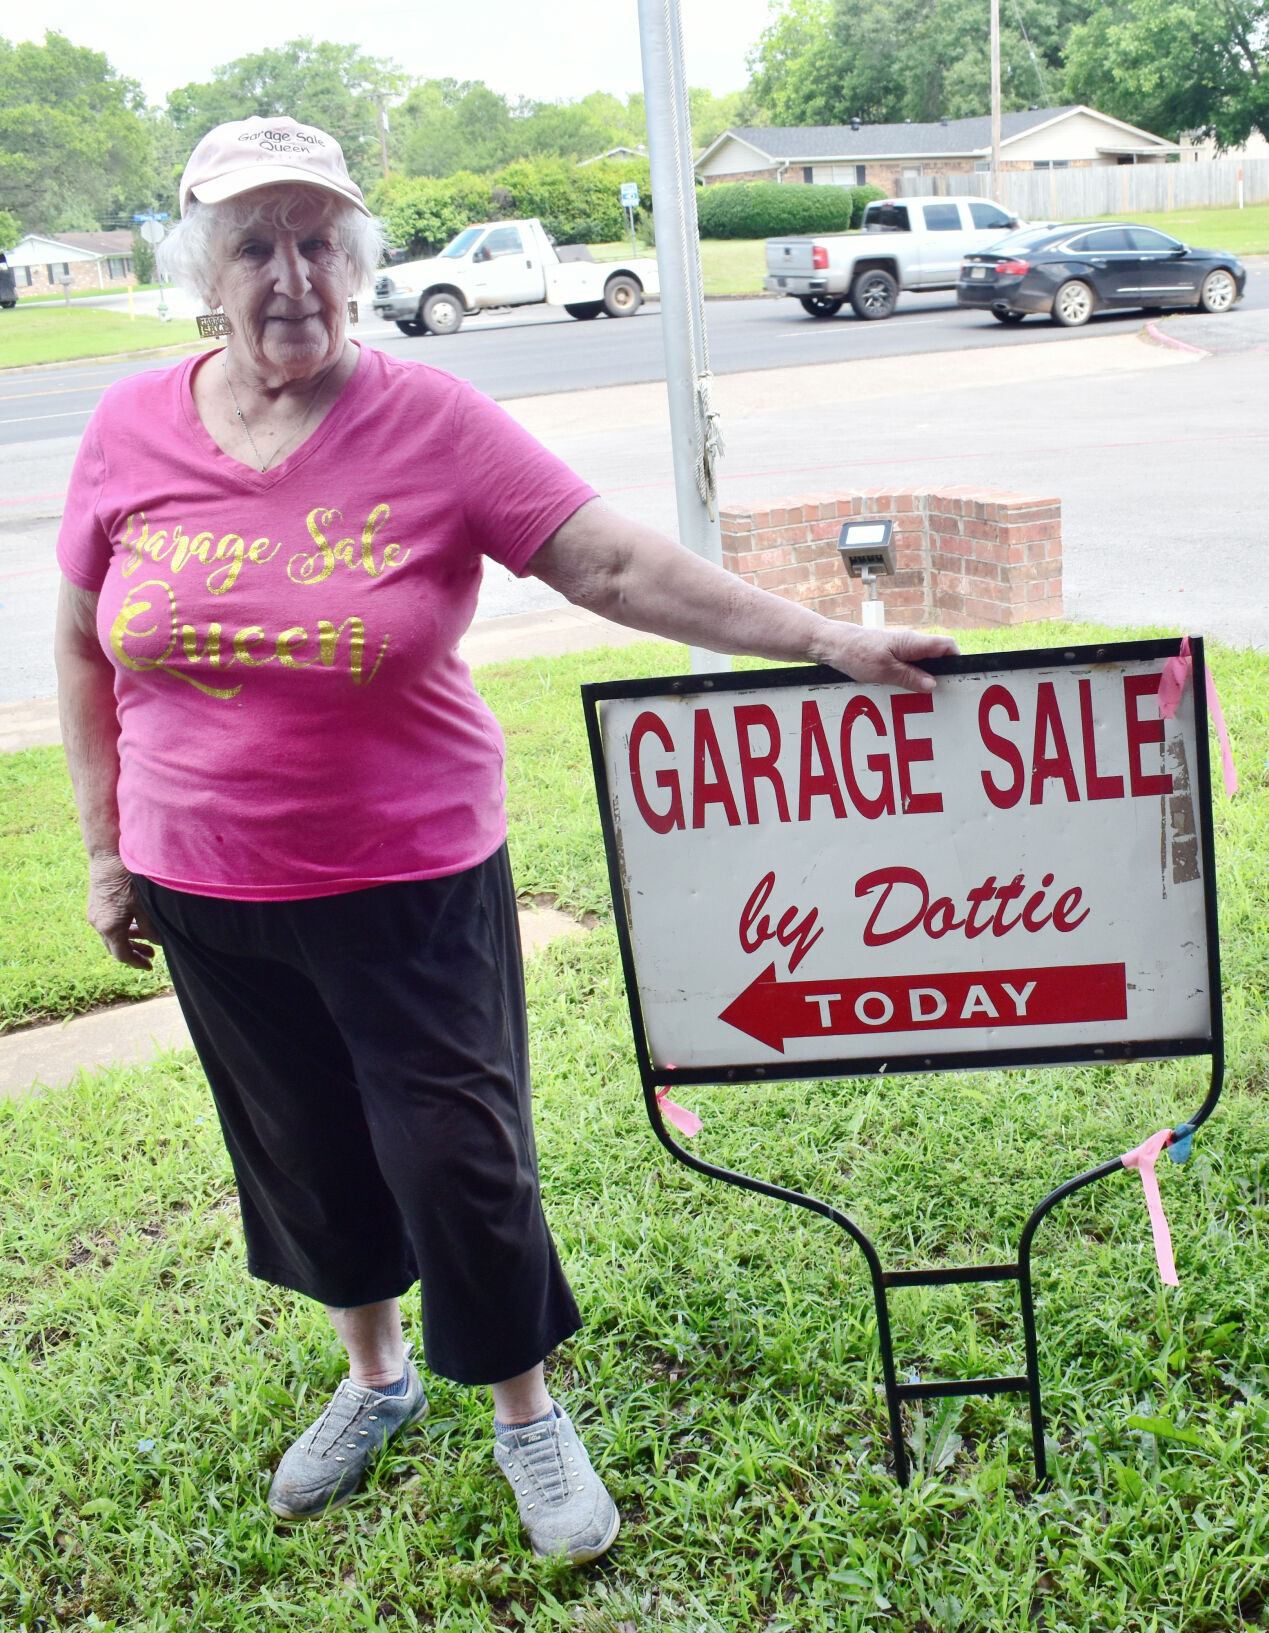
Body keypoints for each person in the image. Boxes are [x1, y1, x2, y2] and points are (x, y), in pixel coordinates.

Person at [53, 115, 958, 1565]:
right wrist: (105, 848)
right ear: (203, 270)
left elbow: (603, 558)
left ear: (355, 263)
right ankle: (376, 1377)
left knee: (456, 1155)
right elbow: (87, 647)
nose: (289, 272)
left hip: (408, 876)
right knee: (300, 1146)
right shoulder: (127, 428)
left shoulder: (430, 421)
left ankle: (526, 1411)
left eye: (316, 241)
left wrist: (813, 641)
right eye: (253, 241)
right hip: (205, 876)